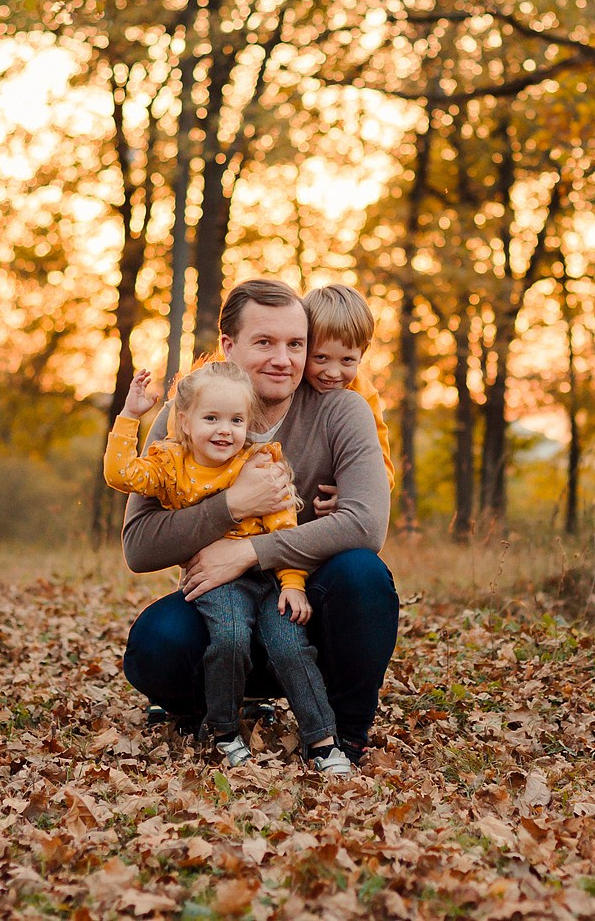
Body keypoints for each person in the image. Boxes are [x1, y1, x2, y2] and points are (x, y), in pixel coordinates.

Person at [118, 279, 397, 764]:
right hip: (222, 611)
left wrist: (248, 551)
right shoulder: (187, 413)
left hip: (305, 607)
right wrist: (230, 507)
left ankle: (347, 735)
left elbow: (367, 525)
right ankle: (210, 712)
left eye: (296, 345)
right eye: (265, 342)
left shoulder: (342, 410)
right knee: (156, 643)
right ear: (229, 345)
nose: (283, 360)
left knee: (362, 574)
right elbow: (138, 546)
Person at [105, 361, 355, 775]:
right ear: (185, 422)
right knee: (230, 637)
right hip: (219, 578)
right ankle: (223, 729)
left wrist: (293, 584)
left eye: (236, 420)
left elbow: (283, 529)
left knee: (290, 645)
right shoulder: (170, 465)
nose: (225, 430)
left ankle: (323, 741)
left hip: (269, 575)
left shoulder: (256, 465)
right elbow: (120, 474)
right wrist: (131, 416)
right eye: (211, 418)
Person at [301, 285, 396, 492]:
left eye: (346, 360)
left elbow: (382, 469)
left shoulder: (363, 395)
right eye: (321, 357)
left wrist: (351, 493)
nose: (333, 372)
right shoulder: (290, 383)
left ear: (362, 354)